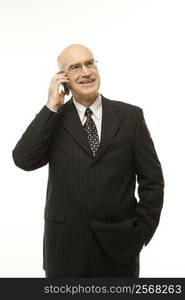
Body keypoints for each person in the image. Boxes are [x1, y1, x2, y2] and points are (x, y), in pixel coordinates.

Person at [12, 44, 164, 277]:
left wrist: (141, 233)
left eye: (90, 63)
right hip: (65, 249)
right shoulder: (54, 119)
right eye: (75, 67)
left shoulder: (131, 116)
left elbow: (152, 181)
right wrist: (51, 105)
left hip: (119, 248)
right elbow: (23, 159)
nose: (86, 72)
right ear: (63, 78)